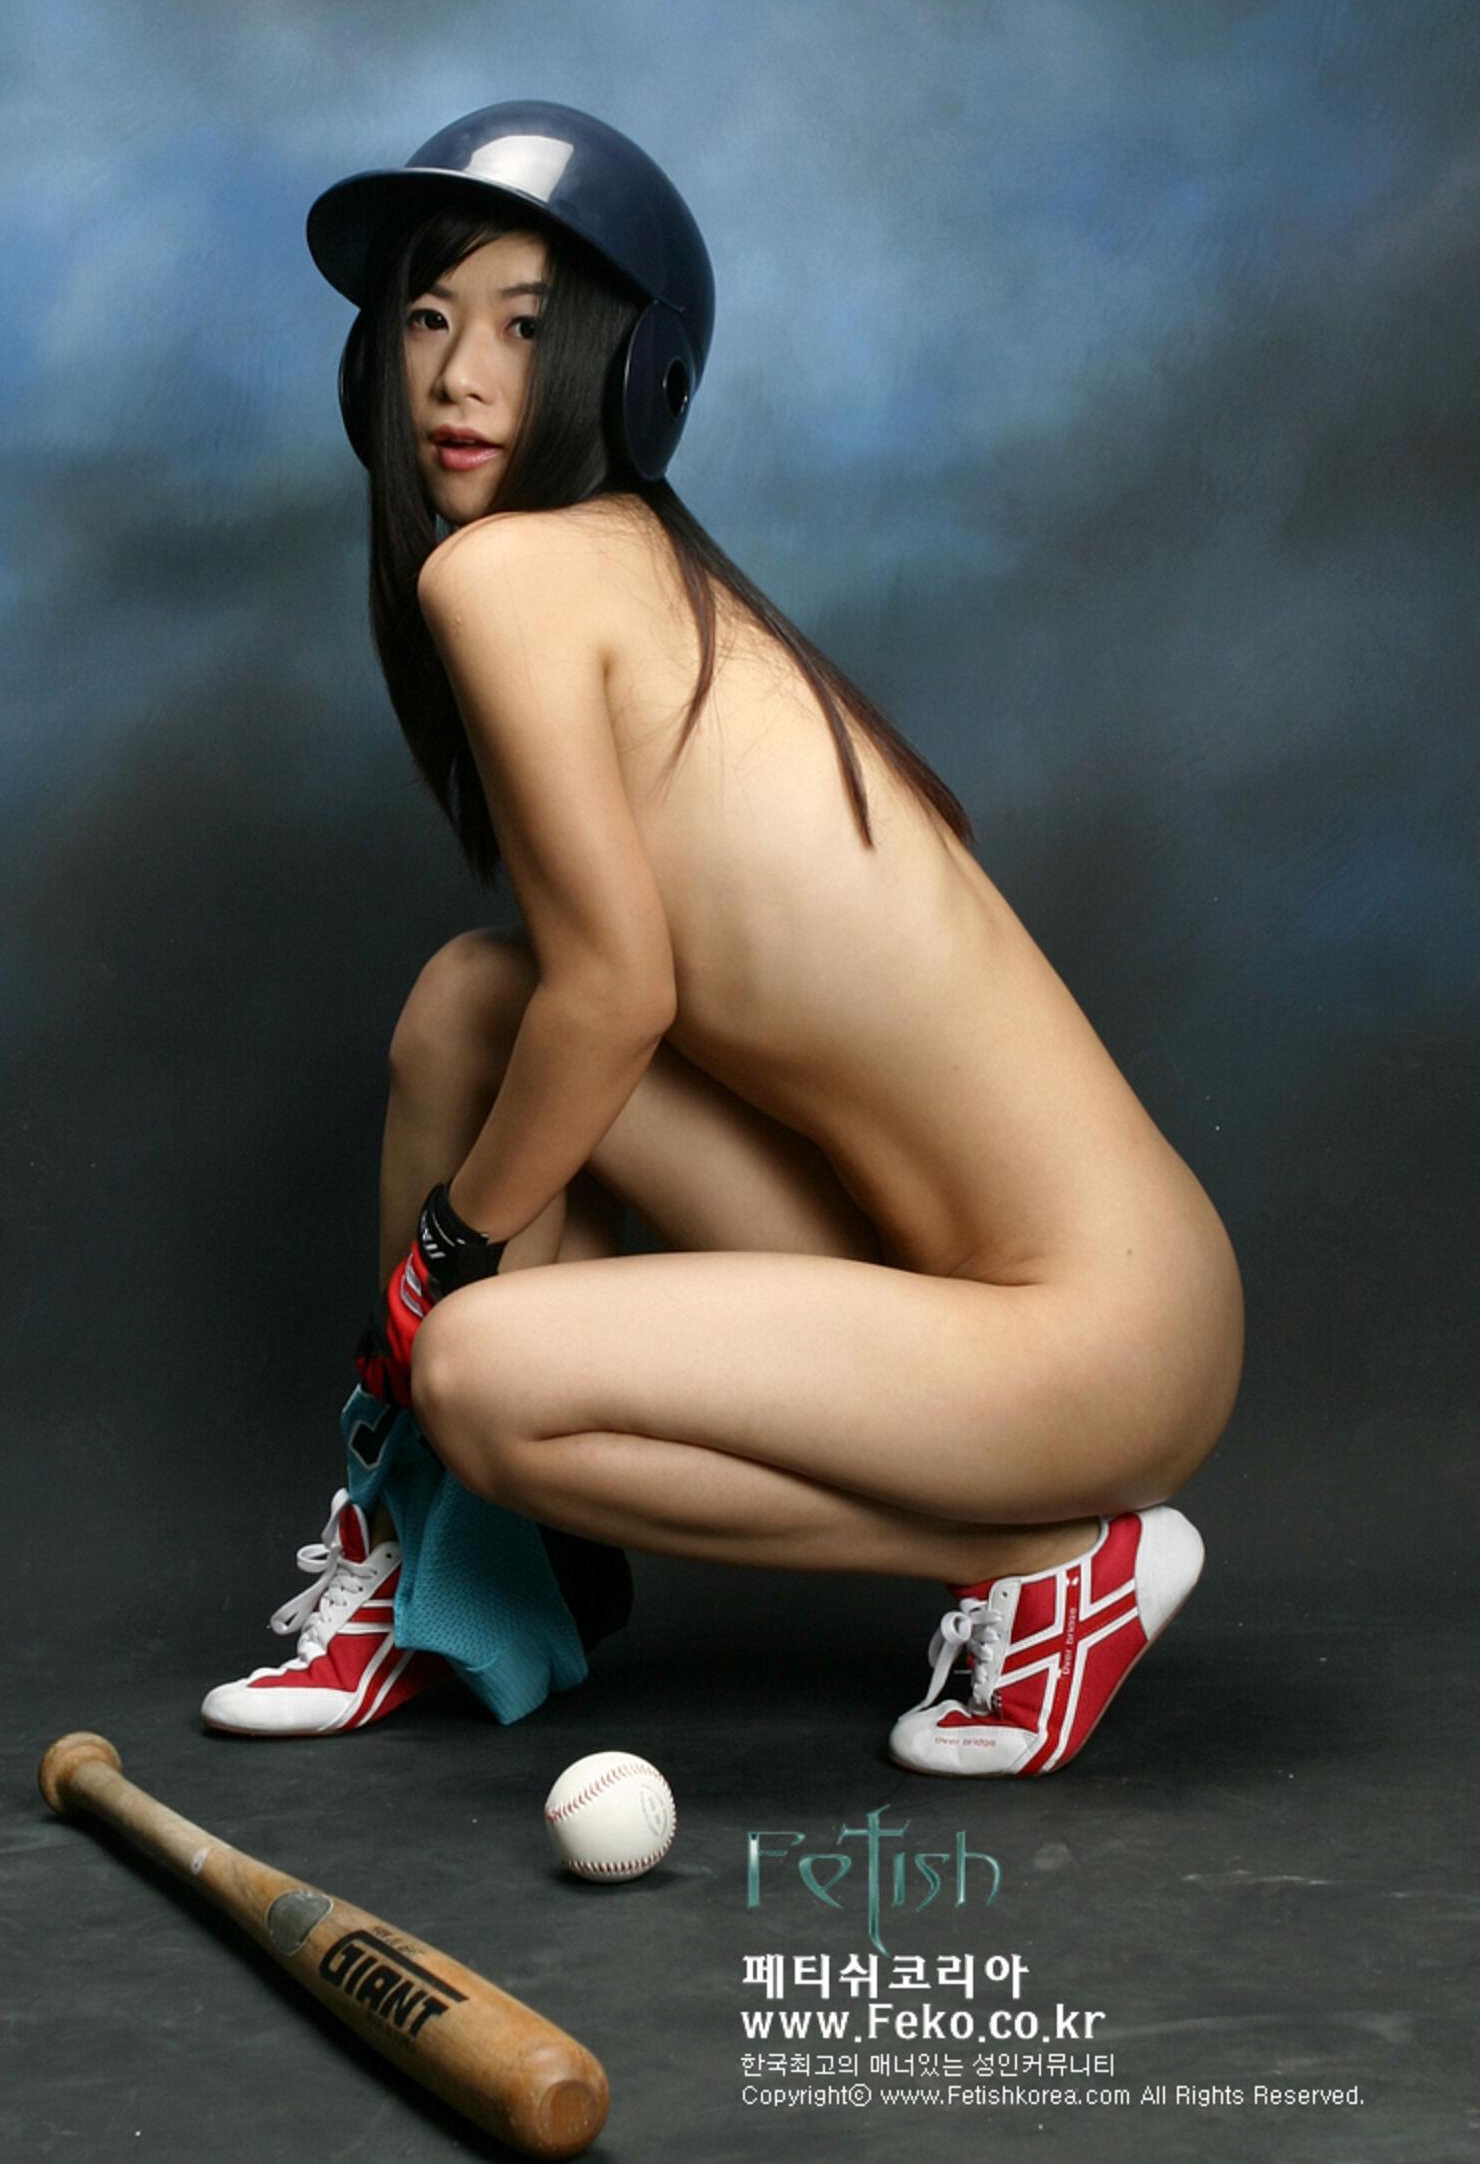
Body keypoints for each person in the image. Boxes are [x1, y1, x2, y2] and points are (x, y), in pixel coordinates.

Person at [200, 103, 1243, 1775]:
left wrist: (442, 1257)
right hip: (1036, 1286)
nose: (458, 376)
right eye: (427, 318)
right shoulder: (632, 569)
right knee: (471, 1001)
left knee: (477, 1372)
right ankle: (437, 1566)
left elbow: (620, 995)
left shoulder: (508, 577)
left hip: (1086, 1338)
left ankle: (1053, 1560)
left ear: (627, 370)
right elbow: (586, 1000)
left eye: (526, 327)